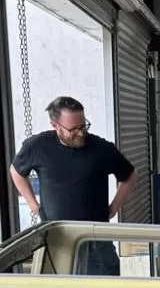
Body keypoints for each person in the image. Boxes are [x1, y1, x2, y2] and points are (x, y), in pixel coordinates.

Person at [10, 96, 137, 275]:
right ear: (55, 126)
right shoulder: (37, 146)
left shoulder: (102, 149)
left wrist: (114, 207)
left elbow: (130, 176)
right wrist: (33, 204)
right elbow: (16, 171)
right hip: (57, 241)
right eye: (73, 128)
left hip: (96, 240)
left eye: (83, 125)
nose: (80, 132)